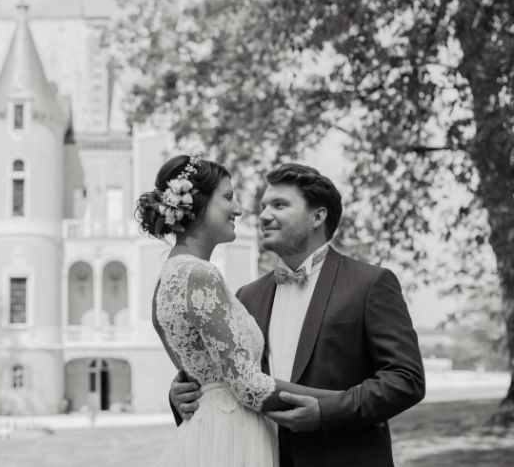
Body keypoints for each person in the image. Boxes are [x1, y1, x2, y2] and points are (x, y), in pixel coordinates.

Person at [170, 162, 426, 467]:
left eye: (279, 205)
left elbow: (406, 379)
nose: (264, 216)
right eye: (264, 206)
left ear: (318, 215)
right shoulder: (246, 296)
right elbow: (222, 373)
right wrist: (179, 395)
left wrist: (326, 412)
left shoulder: (370, 284)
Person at [138, 155, 341, 467]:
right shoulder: (202, 276)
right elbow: (248, 385)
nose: (239, 210)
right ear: (196, 202)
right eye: (228, 197)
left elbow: (197, 375)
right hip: (233, 436)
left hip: (211, 434)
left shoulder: (162, 285)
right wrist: (342, 402)